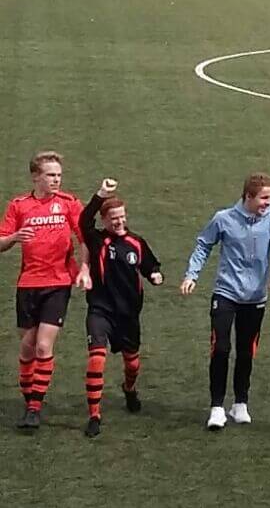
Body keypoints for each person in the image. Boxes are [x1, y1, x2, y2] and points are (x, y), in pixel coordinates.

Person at [181, 172, 270, 430]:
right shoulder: (224, 219)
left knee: (246, 351)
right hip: (226, 293)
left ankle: (240, 403)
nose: (268, 203)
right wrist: (191, 275)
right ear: (248, 197)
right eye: (264, 198)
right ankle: (217, 407)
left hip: (255, 298)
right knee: (220, 348)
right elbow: (203, 245)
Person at [0, 151, 90, 429]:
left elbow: (86, 238)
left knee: (42, 345)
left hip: (58, 283)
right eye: (50, 175)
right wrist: (15, 237)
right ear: (35, 177)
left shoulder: (69, 203)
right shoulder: (19, 206)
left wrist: (84, 269)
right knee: (27, 347)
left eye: (59, 175)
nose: (56, 180)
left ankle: (34, 408)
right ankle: (30, 399)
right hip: (28, 284)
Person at [77, 178, 163, 438]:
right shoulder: (97, 239)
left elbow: (150, 265)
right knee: (96, 358)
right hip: (100, 310)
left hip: (128, 314)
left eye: (122, 217)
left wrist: (155, 275)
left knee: (132, 364)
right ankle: (94, 415)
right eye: (113, 218)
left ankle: (129, 388)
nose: (119, 222)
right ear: (104, 220)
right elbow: (83, 221)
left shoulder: (136, 242)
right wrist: (100, 195)